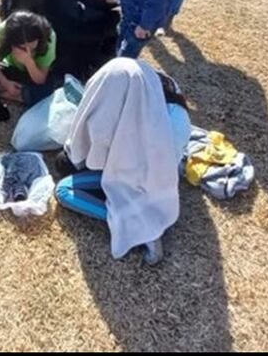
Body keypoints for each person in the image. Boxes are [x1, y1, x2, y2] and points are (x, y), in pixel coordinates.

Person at [54, 60, 192, 265]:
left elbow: (96, 150)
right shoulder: (156, 81)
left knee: (64, 190)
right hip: (166, 173)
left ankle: (137, 226)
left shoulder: (134, 117)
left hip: (140, 177)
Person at [0, 10, 61, 121]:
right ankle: (20, 94)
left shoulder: (49, 37)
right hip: (9, 70)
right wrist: (5, 83)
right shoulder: (3, 32)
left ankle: (0, 93)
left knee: (46, 94)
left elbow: (40, 79)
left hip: (33, 75)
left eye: (32, 48)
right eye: (22, 48)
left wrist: (28, 61)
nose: (28, 52)